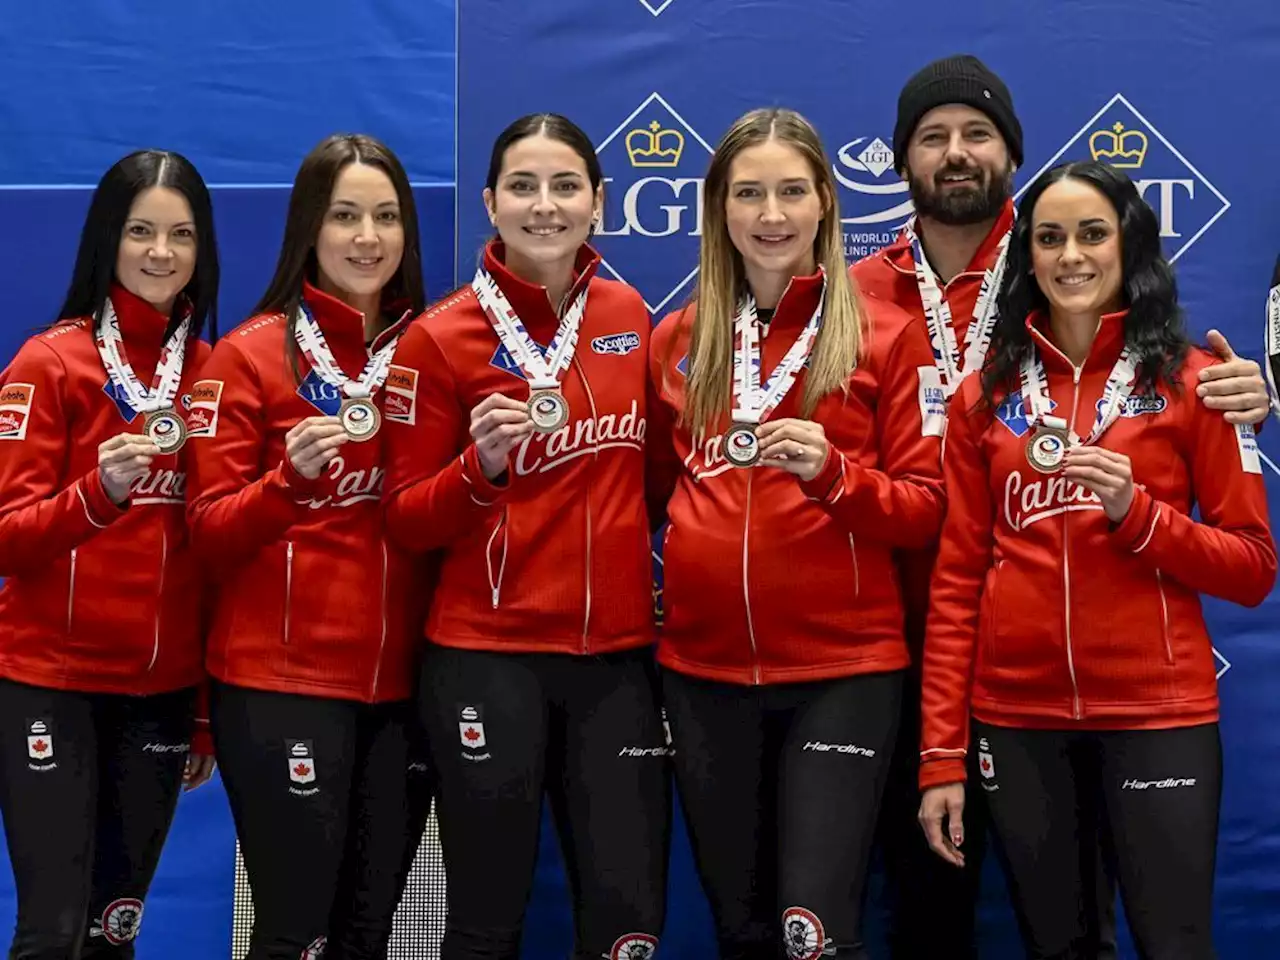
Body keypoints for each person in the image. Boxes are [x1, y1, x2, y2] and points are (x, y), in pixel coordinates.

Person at [850, 53, 1272, 959]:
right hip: (990, 699)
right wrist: (940, 754)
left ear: (1128, 245)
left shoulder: (1196, 381)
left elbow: (1252, 567)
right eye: (1050, 240)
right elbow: (961, 569)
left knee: (1174, 942)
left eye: (1091, 236)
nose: (1070, 256)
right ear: (1026, 255)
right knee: (1038, 941)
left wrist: (1141, 514)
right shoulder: (979, 395)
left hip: (1156, 709)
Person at [647, 107, 945, 960]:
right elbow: (658, 495)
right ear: (719, 210)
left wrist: (834, 476)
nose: (769, 214)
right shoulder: (678, 339)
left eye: (789, 192)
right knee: (741, 932)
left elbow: (926, 508)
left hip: (841, 669)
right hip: (701, 675)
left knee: (815, 932)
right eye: (748, 194)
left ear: (825, 203)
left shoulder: (887, 334)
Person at [382, 114, 668, 960]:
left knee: (627, 926)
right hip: (486, 656)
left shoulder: (630, 314)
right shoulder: (438, 338)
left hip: (615, 661)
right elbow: (405, 517)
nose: (545, 207)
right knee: (485, 919)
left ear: (598, 204)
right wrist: (483, 469)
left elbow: (654, 483)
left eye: (565, 186)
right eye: (523, 187)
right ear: (490, 204)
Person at [184, 134, 434, 960]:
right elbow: (209, 532)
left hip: (405, 695)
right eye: (346, 216)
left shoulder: (434, 353)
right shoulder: (250, 355)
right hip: (280, 684)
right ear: (308, 229)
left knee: (367, 936)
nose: (368, 237)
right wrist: (287, 484)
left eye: (387, 216)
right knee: (297, 937)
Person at [0, 149, 219, 959]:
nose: (160, 252)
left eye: (181, 234)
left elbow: (209, 556)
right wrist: (100, 492)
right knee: (52, 933)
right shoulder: (48, 363)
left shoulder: (210, 374)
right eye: (140, 232)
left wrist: (199, 712)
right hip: (48, 688)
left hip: (158, 697)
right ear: (106, 240)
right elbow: (8, 537)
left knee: (114, 932)